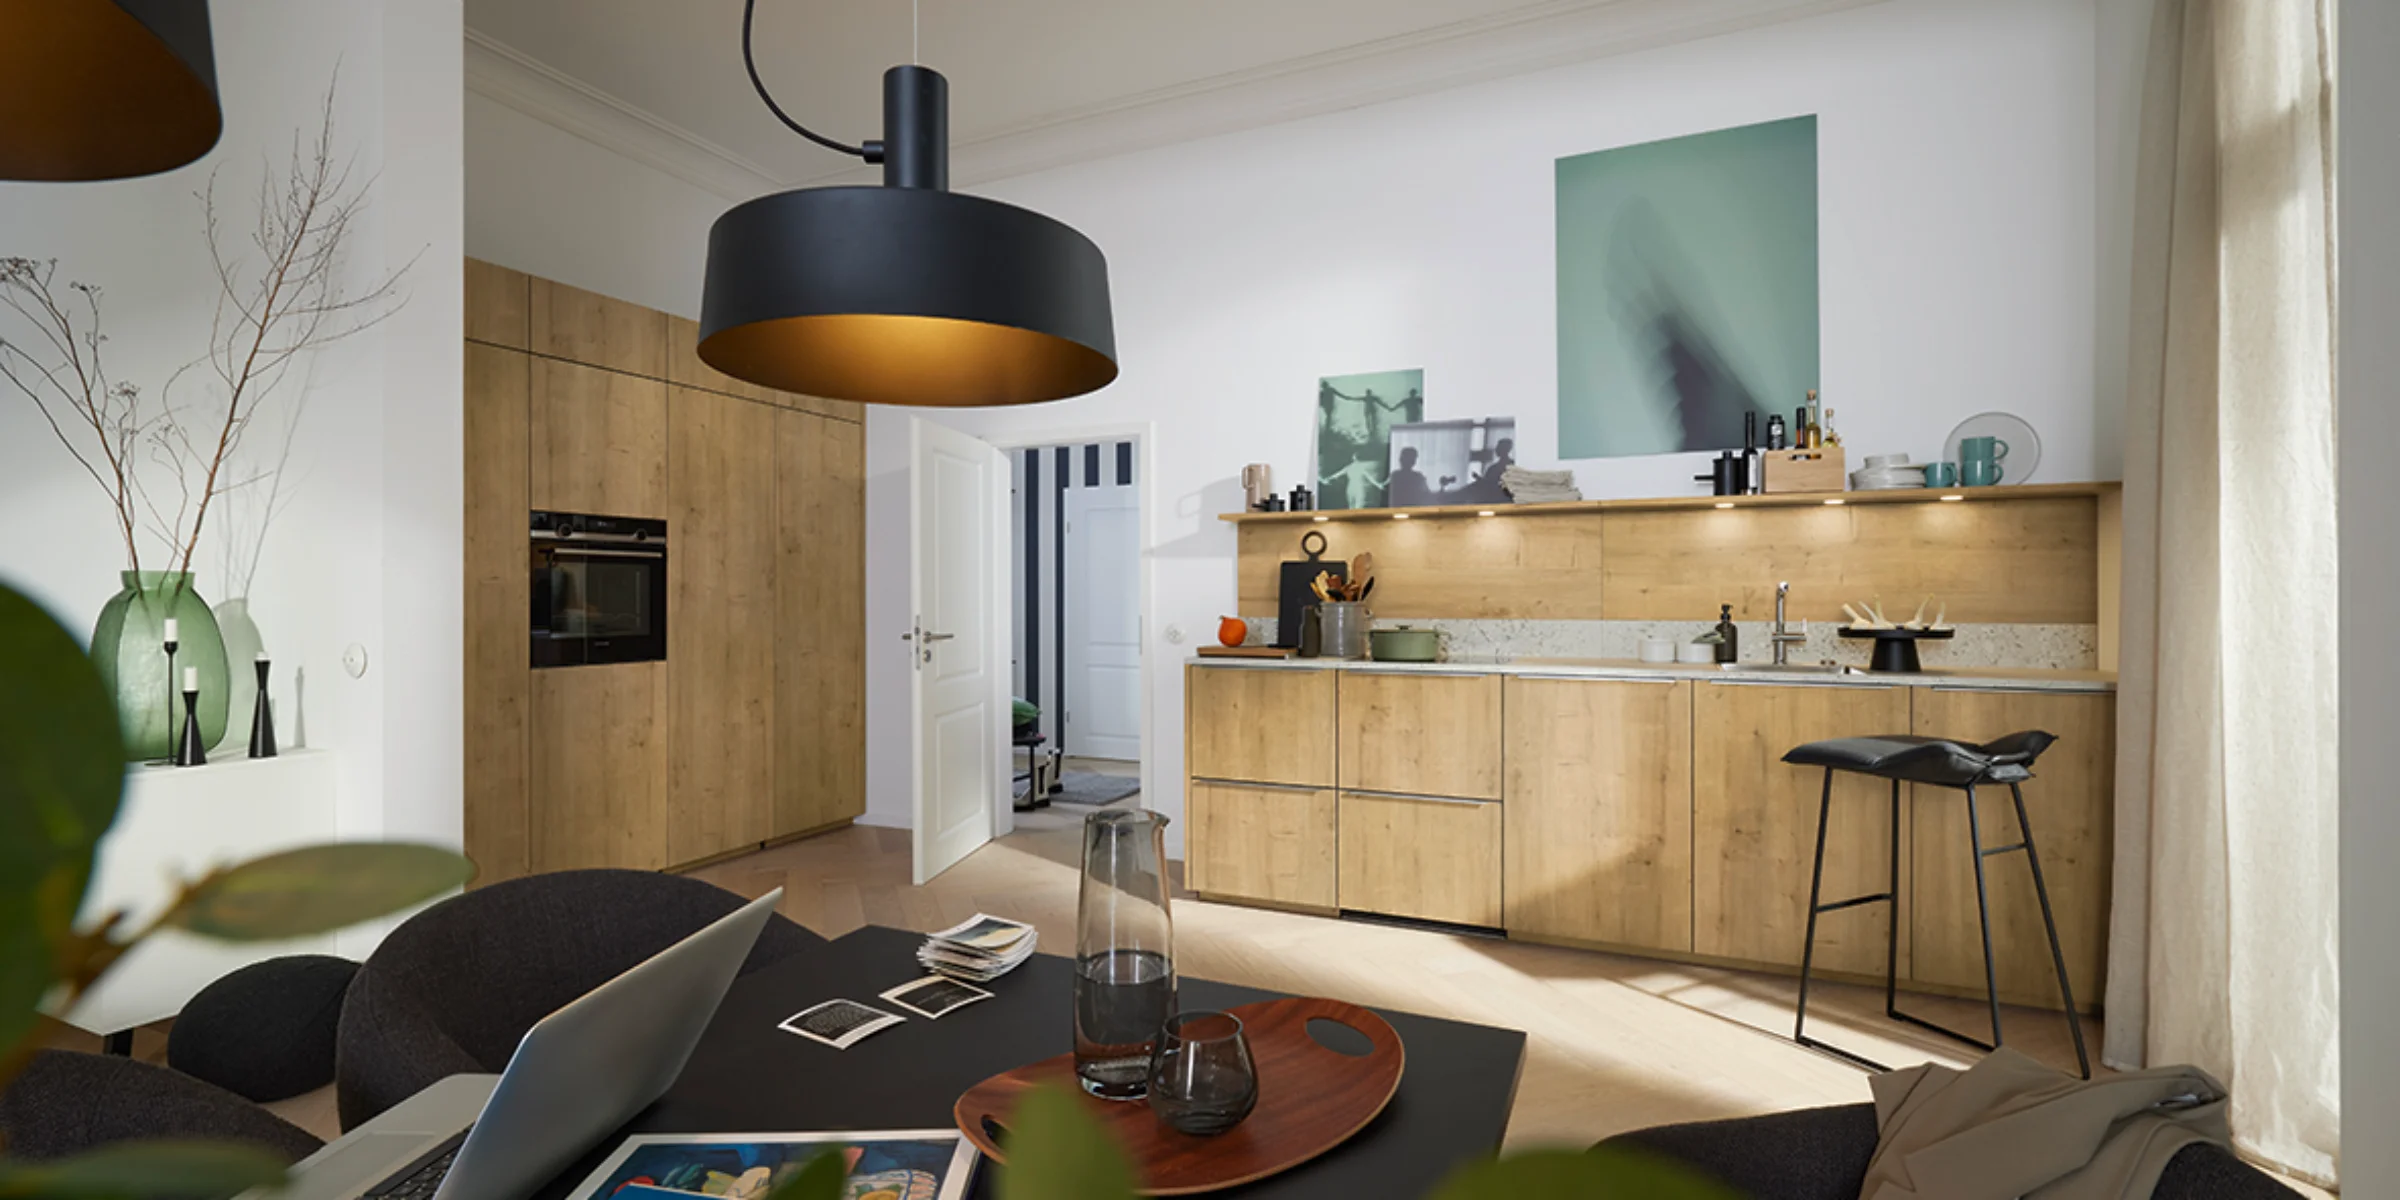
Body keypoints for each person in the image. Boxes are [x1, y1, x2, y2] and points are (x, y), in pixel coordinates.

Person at [1322, 448, 1389, 510]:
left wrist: (1378, 485)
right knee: (1352, 507)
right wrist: (1328, 479)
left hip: (1358, 489)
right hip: (1352, 489)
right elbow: (1337, 474)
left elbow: (1369, 477)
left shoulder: (1359, 467)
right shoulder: (1350, 467)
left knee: (1357, 507)